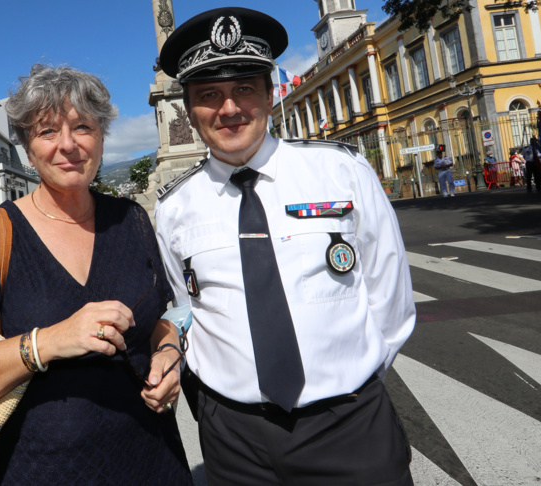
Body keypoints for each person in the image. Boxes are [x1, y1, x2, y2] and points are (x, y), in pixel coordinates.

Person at [154, 8, 415, 485]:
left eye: (244, 90)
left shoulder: (341, 172)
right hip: (234, 441)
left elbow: (390, 295)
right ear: (189, 111)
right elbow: (187, 306)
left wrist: (349, 384)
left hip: (349, 427)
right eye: (209, 95)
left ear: (270, 94)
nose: (228, 109)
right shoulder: (174, 208)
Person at [0, 64, 193, 485]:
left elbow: (160, 320)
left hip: (153, 460)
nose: (67, 145)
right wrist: (51, 340)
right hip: (42, 469)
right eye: (47, 131)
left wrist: (168, 355)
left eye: (83, 127)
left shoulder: (131, 220)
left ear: (102, 138)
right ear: (27, 150)